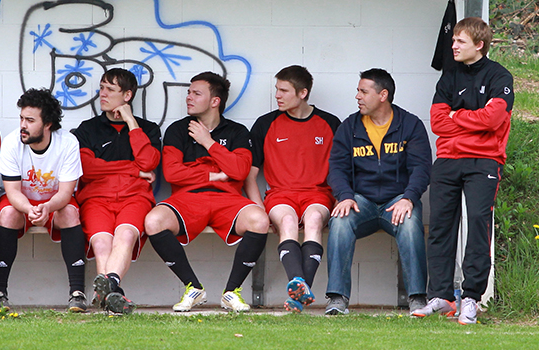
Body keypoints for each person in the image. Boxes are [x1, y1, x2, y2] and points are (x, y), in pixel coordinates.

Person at [413, 17, 514, 325]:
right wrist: (472, 119)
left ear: (479, 45)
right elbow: (437, 122)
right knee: (440, 227)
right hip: (447, 160)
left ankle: (471, 298)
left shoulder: (499, 76)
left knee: (479, 226)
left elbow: (493, 120)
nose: (453, 46)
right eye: (453, 40)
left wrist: (457, 116)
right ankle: (441, 296)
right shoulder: (448, 77)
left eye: (460, 41)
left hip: (484, 161)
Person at [144, 72, 270, 312]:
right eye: (188, 92)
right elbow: (172, 173)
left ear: (215, 101)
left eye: (196, 93)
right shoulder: (178, 129)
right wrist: (212, 174)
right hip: (187, 199)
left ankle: (231, 292)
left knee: (260, 220)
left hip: (227, 199)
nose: (188, 97)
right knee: (153, 221)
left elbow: (240, 170)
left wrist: (208, 142)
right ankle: (193, 287)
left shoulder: (237, 131)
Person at [325, 68, 431, 316]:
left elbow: (422, 168)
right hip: (361, 201)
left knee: (410, 223)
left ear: (383, 95)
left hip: (398, 201)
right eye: (358, 91)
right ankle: (337, 298)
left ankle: (417, 298)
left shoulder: (410, 125)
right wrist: (345, 196)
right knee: (339, 221)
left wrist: (409, 198)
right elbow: (336, 168)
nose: (357, 97)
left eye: (363, 92)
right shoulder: (349, 127)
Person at [245, 65, 340, 313]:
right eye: (277, 89)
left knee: (314, 220)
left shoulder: (330, 123)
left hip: (318, 194)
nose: (277, 95)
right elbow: (250, 176)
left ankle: (298, 292)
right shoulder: (265, 124)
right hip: (280, 195)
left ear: (302, 93)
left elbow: (342, 170)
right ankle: (300, 287)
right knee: (287, 221)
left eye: (284, 90)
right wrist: (258, 209)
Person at [73, 68, 162, 314]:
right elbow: (86, 168)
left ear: (127, 95)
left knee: (125, 236)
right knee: (102, 242)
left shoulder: (148, 129)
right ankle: (114, 293)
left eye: (110, 89)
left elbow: (148, 162)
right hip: (96, 198)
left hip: (135, 198)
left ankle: (108, 288)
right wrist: (133, 169)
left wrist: (131, 122)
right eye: (101, 87)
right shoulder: (88, 128)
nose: (102, 94)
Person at [0, 88, 86, 312]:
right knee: (8, 213)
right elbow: (12, 192)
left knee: (70, 212)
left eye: (30, 120)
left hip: (54, 202)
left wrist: (47, 206)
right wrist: (29, 208)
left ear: (48, 124)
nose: (23, 125)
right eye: (21, 118)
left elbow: (66, 193)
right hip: (22, 203)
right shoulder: (11, 142)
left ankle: (77, 293)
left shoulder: (68, 143)